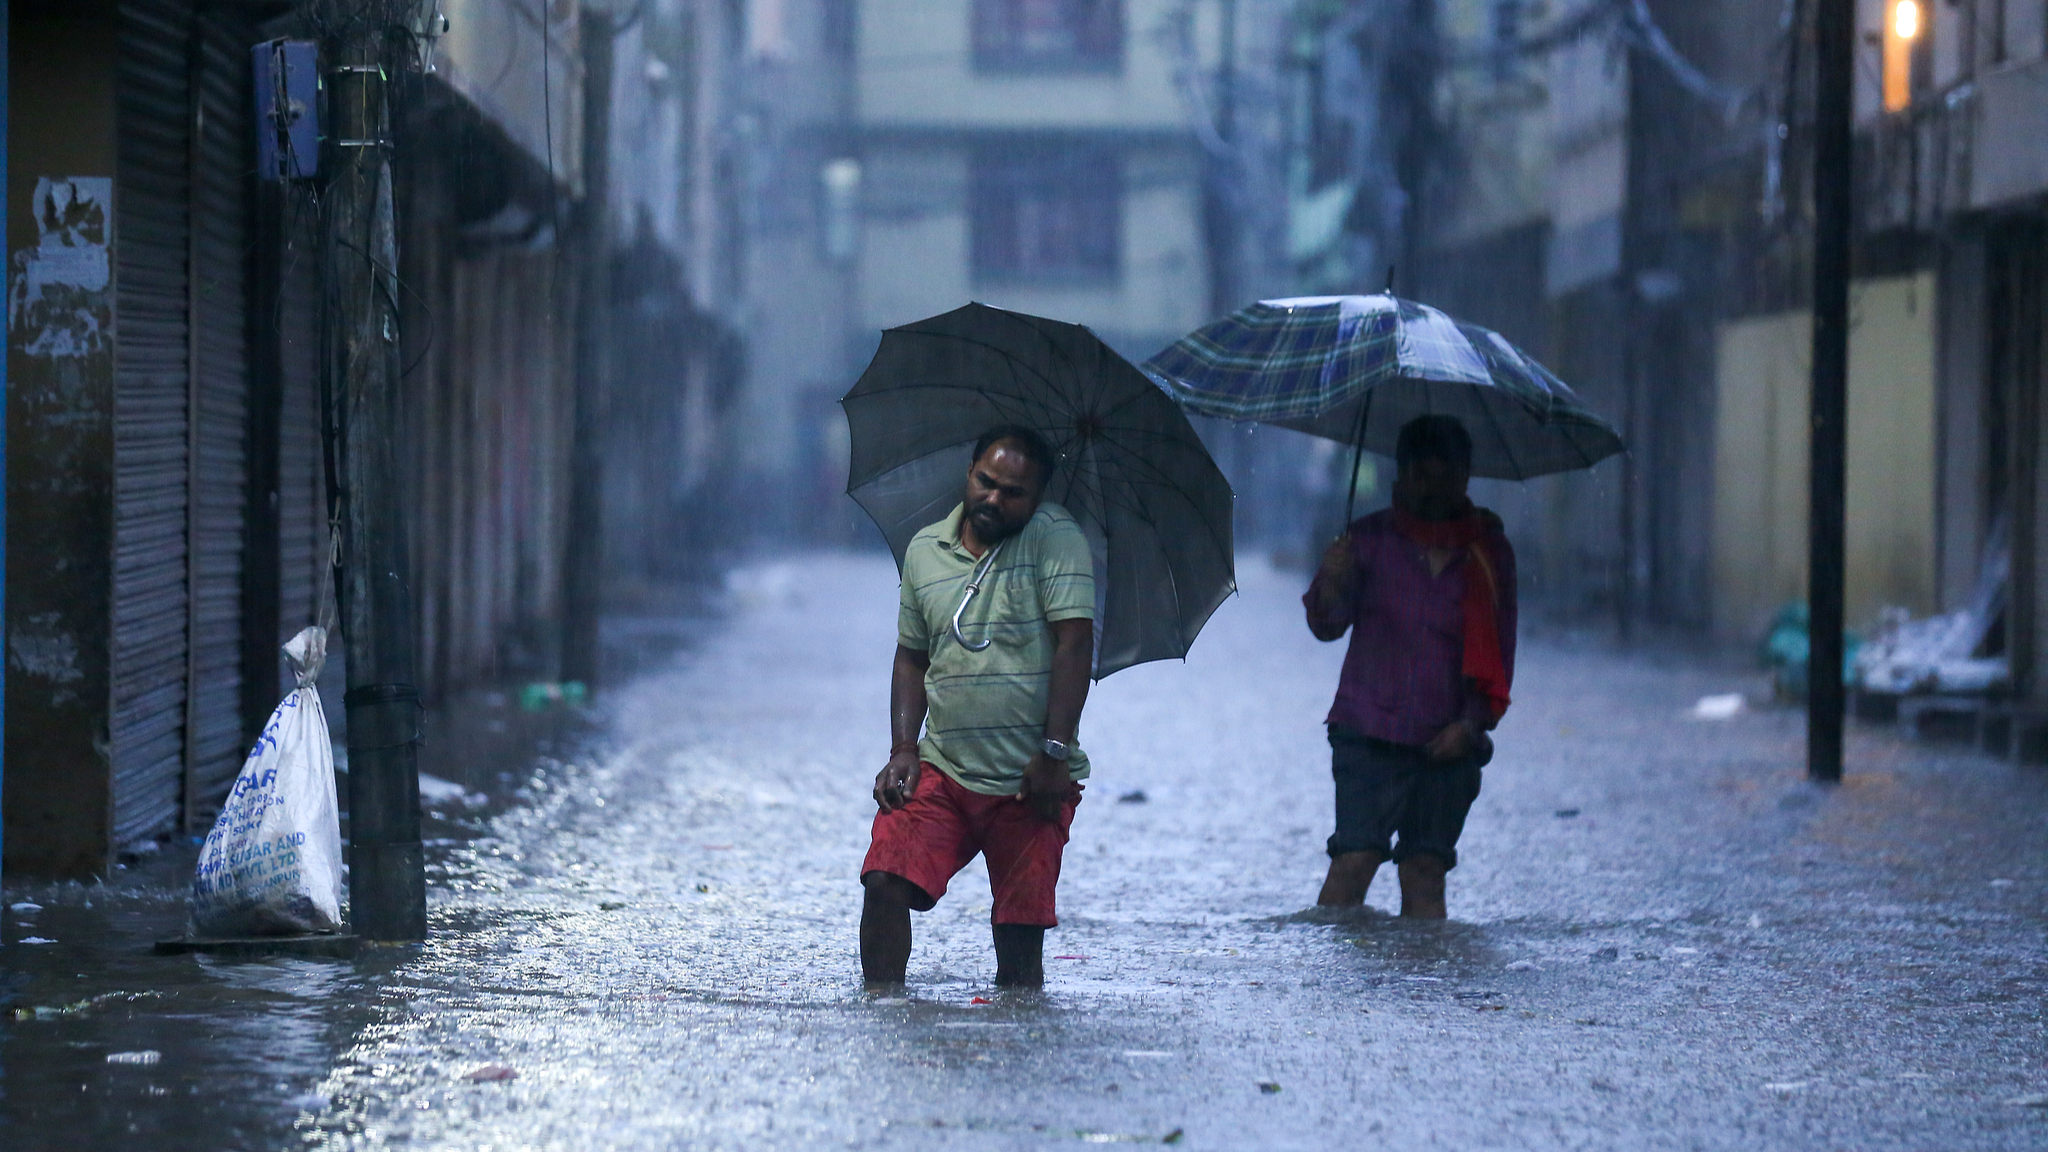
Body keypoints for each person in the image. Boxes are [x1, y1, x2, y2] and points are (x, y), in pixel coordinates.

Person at [860, 425, 1096, 987]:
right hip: (944, 767)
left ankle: (1017, 1043)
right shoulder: (925, 552)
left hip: (1029, 780)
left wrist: (1053, 753)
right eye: (986, 482)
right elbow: (911, 658)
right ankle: (880, 1016)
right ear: (968, 473)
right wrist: (902, 749)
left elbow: (1075, 643)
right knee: (884, 878)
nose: (993, 498)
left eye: (1013, 492)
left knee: (1018, 937)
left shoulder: (1055, 540)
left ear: (1037, 499)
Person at [1303, 415, 1516, 919]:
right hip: (1367, 731)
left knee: (1424, 870)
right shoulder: (1368, 541)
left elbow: (1500, 653)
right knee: (1354, 860)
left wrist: (1469, 724)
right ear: (1400, 477)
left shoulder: (1487, 554)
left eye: (1445, 477)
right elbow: (1327, 624)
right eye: (1422, 476)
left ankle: (1424, 990)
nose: (1433, 490)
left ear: (1465, 478)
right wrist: (1332, 580)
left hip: (1447, 742)